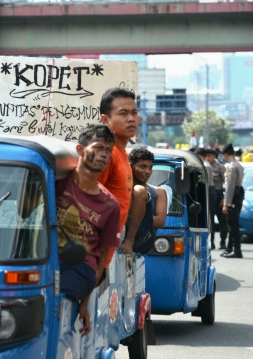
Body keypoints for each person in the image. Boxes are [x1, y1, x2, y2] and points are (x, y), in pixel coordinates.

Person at [56, 125, 121, 337]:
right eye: (99, 147)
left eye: (108, 151)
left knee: (53, 299)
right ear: (80, 149)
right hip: (46, 261)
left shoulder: (110, 205)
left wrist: (85, 302)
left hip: (79, 270)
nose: (104, 155)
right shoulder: (57, 183)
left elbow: (102, 258)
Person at [99, 87, 147, 255]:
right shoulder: (106, 155)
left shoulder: (123, 154)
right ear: (105, 119)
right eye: (123, 113)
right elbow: (87, 204)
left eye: (134, 112)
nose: (131, 119)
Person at [129, 147, 168, 251]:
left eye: (150, 167)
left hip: (142, 240)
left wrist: (130, 218)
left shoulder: (159, 192)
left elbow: (160, 221)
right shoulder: (122, 189)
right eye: (143, 167)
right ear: (130, 167)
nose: (147, 171)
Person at [220, 144, 245, 258]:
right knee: (234, 223)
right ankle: (231, 249)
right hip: (238, 195)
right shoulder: (238, 165)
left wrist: (226, 204)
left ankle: (237, 251)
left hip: (233, 197)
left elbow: (230, 187)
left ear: (225, 154)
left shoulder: (231, 167)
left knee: (233, 225)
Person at [195, 148, 218, 250]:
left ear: (200, 155)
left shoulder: (206, 166)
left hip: (209, 192)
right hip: (208, 191)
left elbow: (206, 183)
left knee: (209, 218)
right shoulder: (204, 165)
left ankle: (211, 242)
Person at [206, 148, 228, 249]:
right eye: (206, 156)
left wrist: (224, 198)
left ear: (214, 156)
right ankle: (211, 242)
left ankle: (223, 242)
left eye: (209, 156)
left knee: (222, 220)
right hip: (210, 196)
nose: (207, 158)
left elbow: (226, 183)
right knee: (210, 220)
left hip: (219, 195)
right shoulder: (205, 166)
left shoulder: (220, 167)